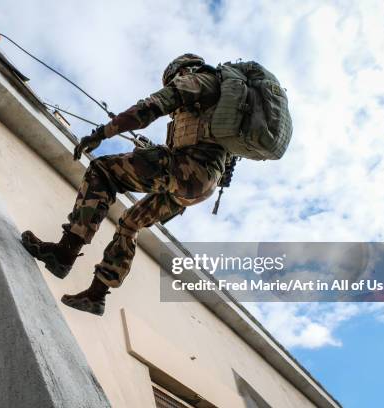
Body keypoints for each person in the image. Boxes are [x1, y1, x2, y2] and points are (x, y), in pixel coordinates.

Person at [22, 54, 229, 316]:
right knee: (131, 223)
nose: (173, 82)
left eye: (172, 78)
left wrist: (100, 135)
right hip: (199, 187)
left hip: (189, 170)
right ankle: (96, 295)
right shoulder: (218, 101)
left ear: (182, 70)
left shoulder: (199, 80)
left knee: (103, 170)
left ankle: (63, 254)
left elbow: (150, 107)